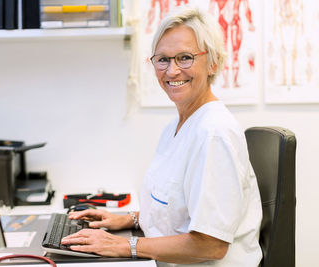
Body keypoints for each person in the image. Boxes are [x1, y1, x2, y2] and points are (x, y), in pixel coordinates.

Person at [61, 7, 262, 267]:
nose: (172, 71)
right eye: (163, 59)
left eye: (185, 57)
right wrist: (130, 219)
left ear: (212, 62)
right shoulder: (178, 126)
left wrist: (126, 245)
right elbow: (177, 209)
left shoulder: (214, 132)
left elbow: (211, 244)